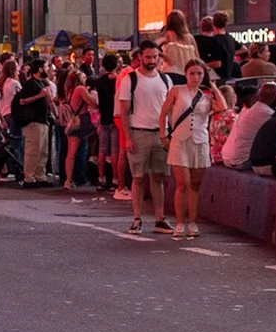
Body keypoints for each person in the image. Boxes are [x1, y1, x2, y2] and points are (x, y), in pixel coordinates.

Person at [159, 60, 224, 238]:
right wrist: (163, 134)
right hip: (180, 140)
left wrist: (214, 87)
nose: (196, 77)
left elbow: (223, 107)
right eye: (192, 73)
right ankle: (180, 222)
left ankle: (193, 222)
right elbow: (164, 112)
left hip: (200, 141)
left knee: (195, 185)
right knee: (183, 183)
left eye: (199, 74)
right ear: (186, 74)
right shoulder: (177, 90)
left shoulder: (206, 96)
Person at [116, 41, 173, 233]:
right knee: (139, 178)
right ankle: (137, 218)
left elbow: (170, 109)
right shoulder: (130, 79)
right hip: (138, 133)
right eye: (148, 57)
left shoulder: (166, 80)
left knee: (158, 177)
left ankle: (159, 218)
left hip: (160, 134)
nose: (151, 61)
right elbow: (123, 112)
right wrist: (128, 137)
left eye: (155, 57)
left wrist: (169, 134)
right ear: (140, 56)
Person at [222, 81, 276, 170]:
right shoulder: (264, 112)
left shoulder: (250, 109)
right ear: (272, 96)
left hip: (228, 157)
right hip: (241, 161)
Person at [14, 60, 52, 188]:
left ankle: (40, 175)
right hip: (33, 121)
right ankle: (29, 177)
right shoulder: (31, 84)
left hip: (43, 120)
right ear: (40, 69)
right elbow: (22, 101)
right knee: (33, 150)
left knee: (42, 151)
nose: (49, 69)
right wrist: (39, 96)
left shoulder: (42, 83)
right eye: (46, 67)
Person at [62, 69, 99, 190]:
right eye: (83, 77)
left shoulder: (69, 91)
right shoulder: (80, 89)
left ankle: (68, 180)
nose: (85, 79)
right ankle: (86, 174)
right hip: (82, 121)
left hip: (72, 122)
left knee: (71, 153)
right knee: (89, 146)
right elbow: (93, 104)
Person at [91, 55, 123, 194]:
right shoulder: (118, 81)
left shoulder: (99, 81)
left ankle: (101, 178)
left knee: (102, 150)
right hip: (115, 117)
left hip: (103, 118)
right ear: (116, 65)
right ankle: (115, 179)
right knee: (115, 150)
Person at [159, 11, 199, 75]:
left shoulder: (168, 34)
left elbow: (155, 47)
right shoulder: (190, 37)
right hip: (187, 72)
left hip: (171, 71)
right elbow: (197, 57)